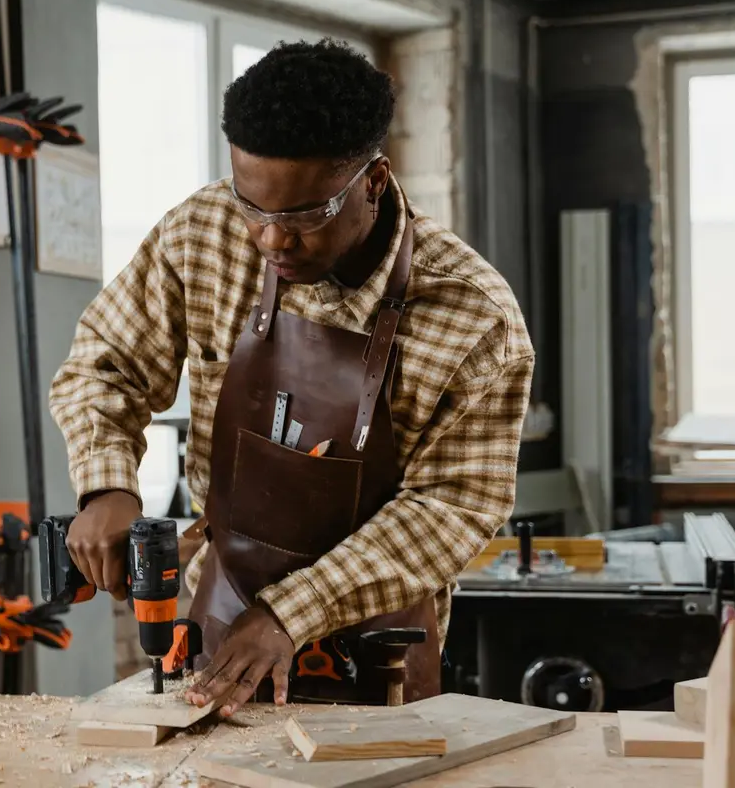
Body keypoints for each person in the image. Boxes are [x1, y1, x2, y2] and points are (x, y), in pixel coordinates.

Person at [48, 39, 534, 716]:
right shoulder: (204, 231)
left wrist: (289, 614)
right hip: (222, 606)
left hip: (378, 647)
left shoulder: (473, 315)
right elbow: (106, 362)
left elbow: (455, 505)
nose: (273, 241)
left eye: (305, 217)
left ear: (372, 180)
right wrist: (105, 485)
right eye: (255, 208)